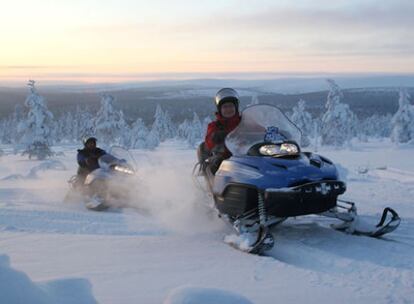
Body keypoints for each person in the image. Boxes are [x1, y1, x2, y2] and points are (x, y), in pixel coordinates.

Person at [200, 88, 241, 173]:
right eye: (225, 107)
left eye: (231, 106)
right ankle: (216, 185)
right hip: (224, 156)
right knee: (217, 163)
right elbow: (209, 140)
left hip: (244, 155)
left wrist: (268, 132)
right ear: (220, 109)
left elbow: (258, 129)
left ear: (235, 107)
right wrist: (215, 136)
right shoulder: (214, 125)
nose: (228, 109)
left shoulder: (244, 121)